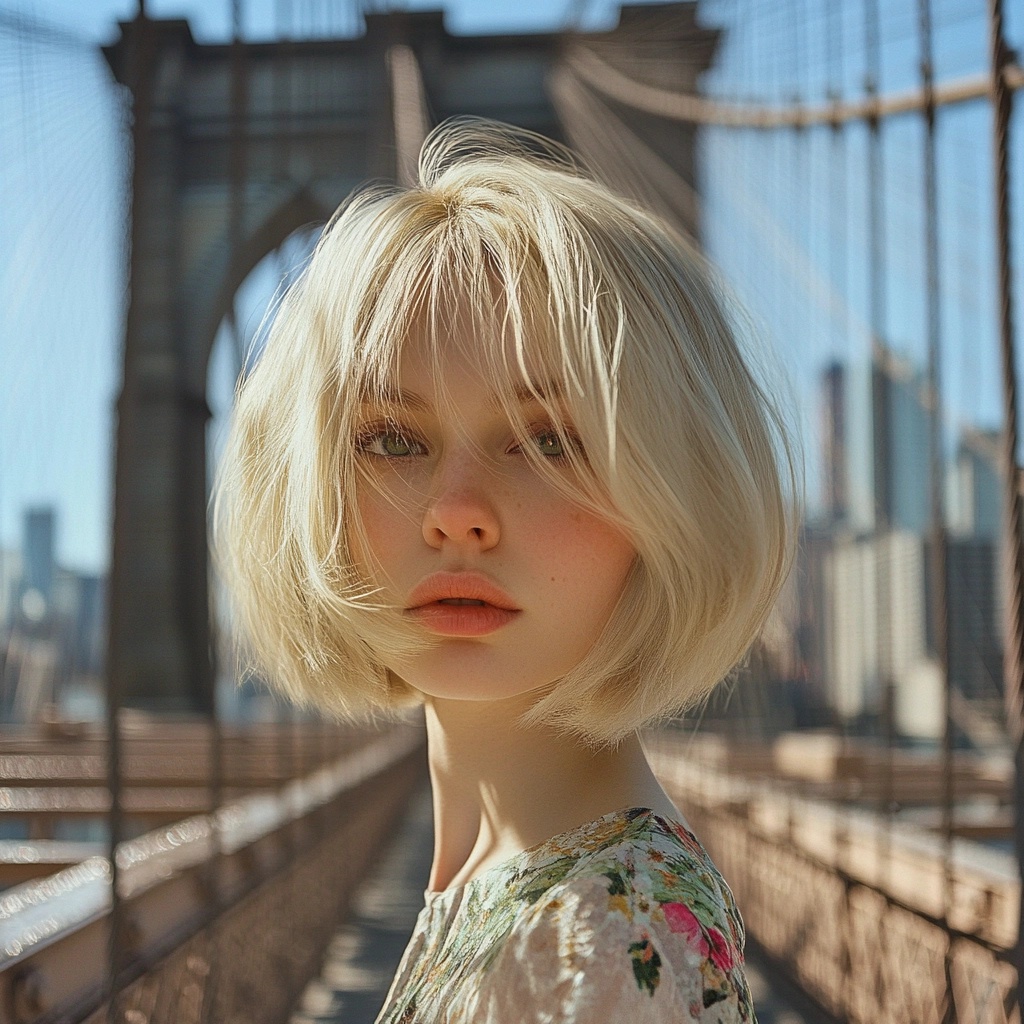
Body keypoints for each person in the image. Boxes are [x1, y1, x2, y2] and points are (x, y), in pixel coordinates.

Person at [213, 118, 798, 1023]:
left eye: (546, 440)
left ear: (676, 490)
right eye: (393, 439)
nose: (456, 513)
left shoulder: (602, 949)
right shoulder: (528, 882)